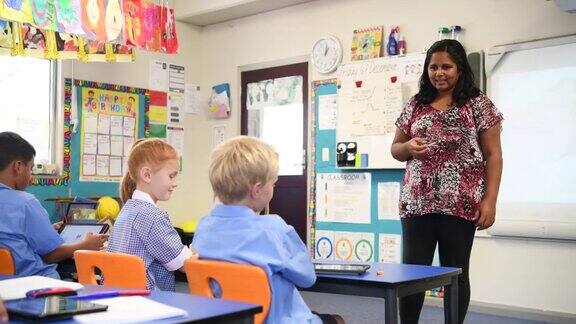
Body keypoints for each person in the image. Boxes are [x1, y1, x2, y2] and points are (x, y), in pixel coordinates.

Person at [391, 39, 503, 324]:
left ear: (460, 69)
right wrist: (408, 148)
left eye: (446, 67)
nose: (439, 73)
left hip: (461, 204)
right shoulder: (416, 104)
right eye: (433, 67)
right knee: (412, 275)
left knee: (455, 273)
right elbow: (396, 148)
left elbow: (493, 155)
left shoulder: (478, 104)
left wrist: (489, 200)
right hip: (418, 203)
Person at [192, 136, 344, 324]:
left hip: (227, 318)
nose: (273, 188)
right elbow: (307, 277)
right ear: (256, 190)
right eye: (273, 183)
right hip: (278, 320)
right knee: (336, 320)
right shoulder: (274, 228)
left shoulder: (204, 226)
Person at [0, 132, 107, 279]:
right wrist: (85, 245)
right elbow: (51, 255)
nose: (31, 178)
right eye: (30, 169)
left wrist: (47, 229)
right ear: (18, 166)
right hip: (36, 285)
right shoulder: (26, 203)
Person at [107, 138, 196, 291]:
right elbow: (185, 265)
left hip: (121, 300)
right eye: (171, 176)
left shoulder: (126, 211)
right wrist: (197, 251)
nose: (175, 183)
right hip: (150, 303)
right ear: (147, 175)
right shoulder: (154, 218)